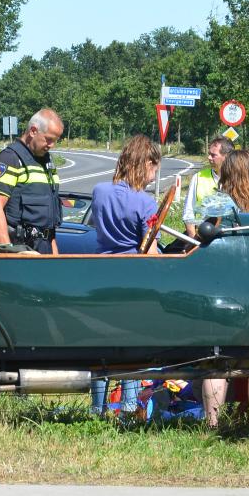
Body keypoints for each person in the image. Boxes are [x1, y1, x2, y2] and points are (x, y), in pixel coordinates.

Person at [198, 150, 249, 428]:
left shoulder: (217, 203)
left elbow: (204, 242)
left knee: (217, 361)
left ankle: (212, 422)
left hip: (223, 289)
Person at [89, 135, 161, 417]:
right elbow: (150, 249)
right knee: (130, 346)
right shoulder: (145, 202)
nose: (155, 176)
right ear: (145, 163)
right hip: (132, 277)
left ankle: (97, 408)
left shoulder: (98, 191)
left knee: (100, 344)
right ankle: (129, 407)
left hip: (101, 274)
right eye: (155, 169)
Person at [0, 108, 64, 254]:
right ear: (33, 131)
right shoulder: (10, 159)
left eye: (55, 140)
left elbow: (48, 225)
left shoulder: (47, 162)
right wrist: (9, 254)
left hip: (44, 250)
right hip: (21, 252)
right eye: (49, 139)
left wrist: (55, 259)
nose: (52, 145)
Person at [183, 136, 234, 237]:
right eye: (209, 154)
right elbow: (188, 213)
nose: (209, 157)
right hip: (203, 235)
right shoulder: (198, 177)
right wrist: (194, 242)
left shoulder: (238, 179)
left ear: (226, 157)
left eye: (213, 155)